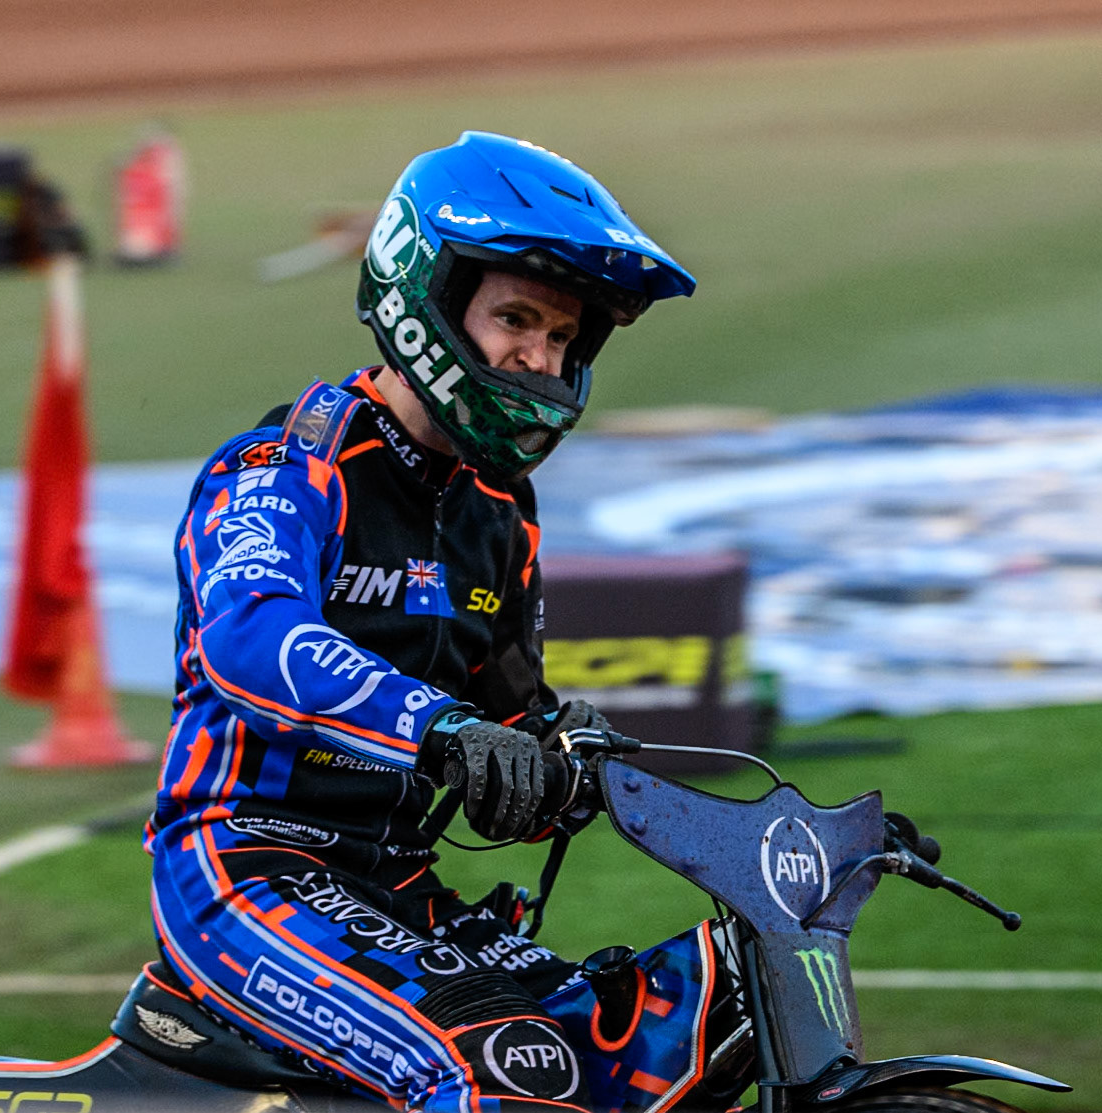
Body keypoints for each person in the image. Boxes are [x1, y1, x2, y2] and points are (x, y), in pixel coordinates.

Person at [146, 132, 695, 1113]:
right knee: (501, 1076)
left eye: (562, 338)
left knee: (642, 1054)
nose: (539, 356)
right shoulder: (284, 465)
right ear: (426, 299)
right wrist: (440, 732)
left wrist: (564, 754)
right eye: (517, 318)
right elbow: (248, 638)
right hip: (242, 866)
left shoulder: (501, 514)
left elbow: (512, 710)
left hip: (396, 887)